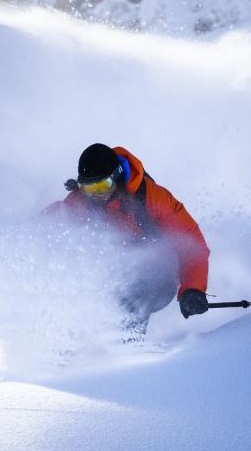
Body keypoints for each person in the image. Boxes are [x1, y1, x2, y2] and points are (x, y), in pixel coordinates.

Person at [46, 143, 210, 341]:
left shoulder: (153, 198)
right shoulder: (83, 201)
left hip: (159, 275)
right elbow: (53, 223)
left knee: (132, 298)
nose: (96, 194)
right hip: (114, 274)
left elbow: (192, 246)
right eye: (89, 188)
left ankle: (126, 353)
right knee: (82, 290)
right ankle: (71, 347)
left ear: (117, 176)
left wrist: (193, 288)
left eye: (102, 186)